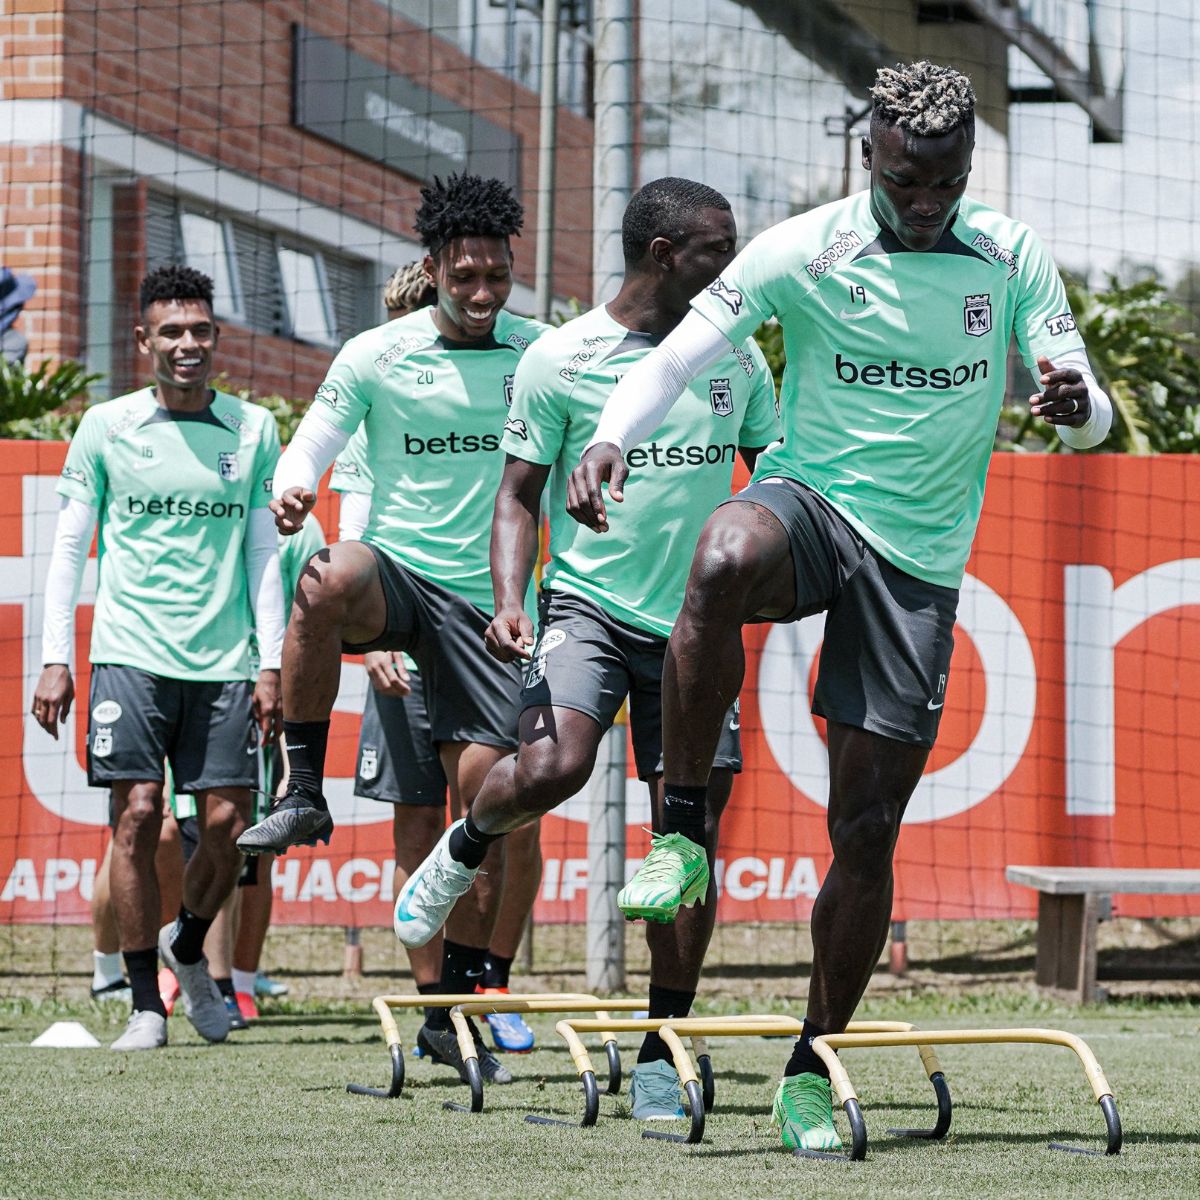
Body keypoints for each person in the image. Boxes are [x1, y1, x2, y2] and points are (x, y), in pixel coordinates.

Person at [569, 61, 1114, 1152]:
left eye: (948, 182)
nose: (928, 202)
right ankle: (680, 831)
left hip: (916, 564)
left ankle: (812, 1066)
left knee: (864, 831)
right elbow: (676, 359)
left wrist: (1077, 403)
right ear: (870, 156)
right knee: (721, 553)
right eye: (910, 180)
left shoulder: (1009, 257)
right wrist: (608, 435)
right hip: (814, 505)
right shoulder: (800, 249)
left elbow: (1086, 412)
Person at [392, 177, 779, 1118]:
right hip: (590, 607)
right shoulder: (562, 358)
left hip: (696, 627)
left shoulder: (738, 357)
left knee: (685, 842)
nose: (732, 269)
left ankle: (662, 1046)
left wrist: (760, 565)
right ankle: (465, 844)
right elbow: (516, 495)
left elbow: (775, 473)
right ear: (661, 257)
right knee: (554, 764)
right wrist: (508, 597)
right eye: (713, 253)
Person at [236, 174, 548, 1082]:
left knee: (483, 813)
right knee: (322, 577)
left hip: (490, 604)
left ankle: (452, 1010)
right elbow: (314, 442)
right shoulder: (377, 352)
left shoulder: (543, 352)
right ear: (434, 268)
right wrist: (295, 484)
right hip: (402, 578)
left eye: (498, 276)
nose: (484, 294)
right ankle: (301, 790)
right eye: (466, 277)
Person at [31, 264, 284, 1051]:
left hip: (224, 663)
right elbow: (70, 547)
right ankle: (148, 1003)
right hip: (129, 656)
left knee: (230, 828)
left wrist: (269, 663)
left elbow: (262, 554)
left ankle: (189, 947)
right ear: (143, 341)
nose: (187, 344)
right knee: (138, 817)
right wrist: (54, 657)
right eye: (170, 332)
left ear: (216, 340)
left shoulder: (252, 429)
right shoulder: (106, 427)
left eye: (200, 331)